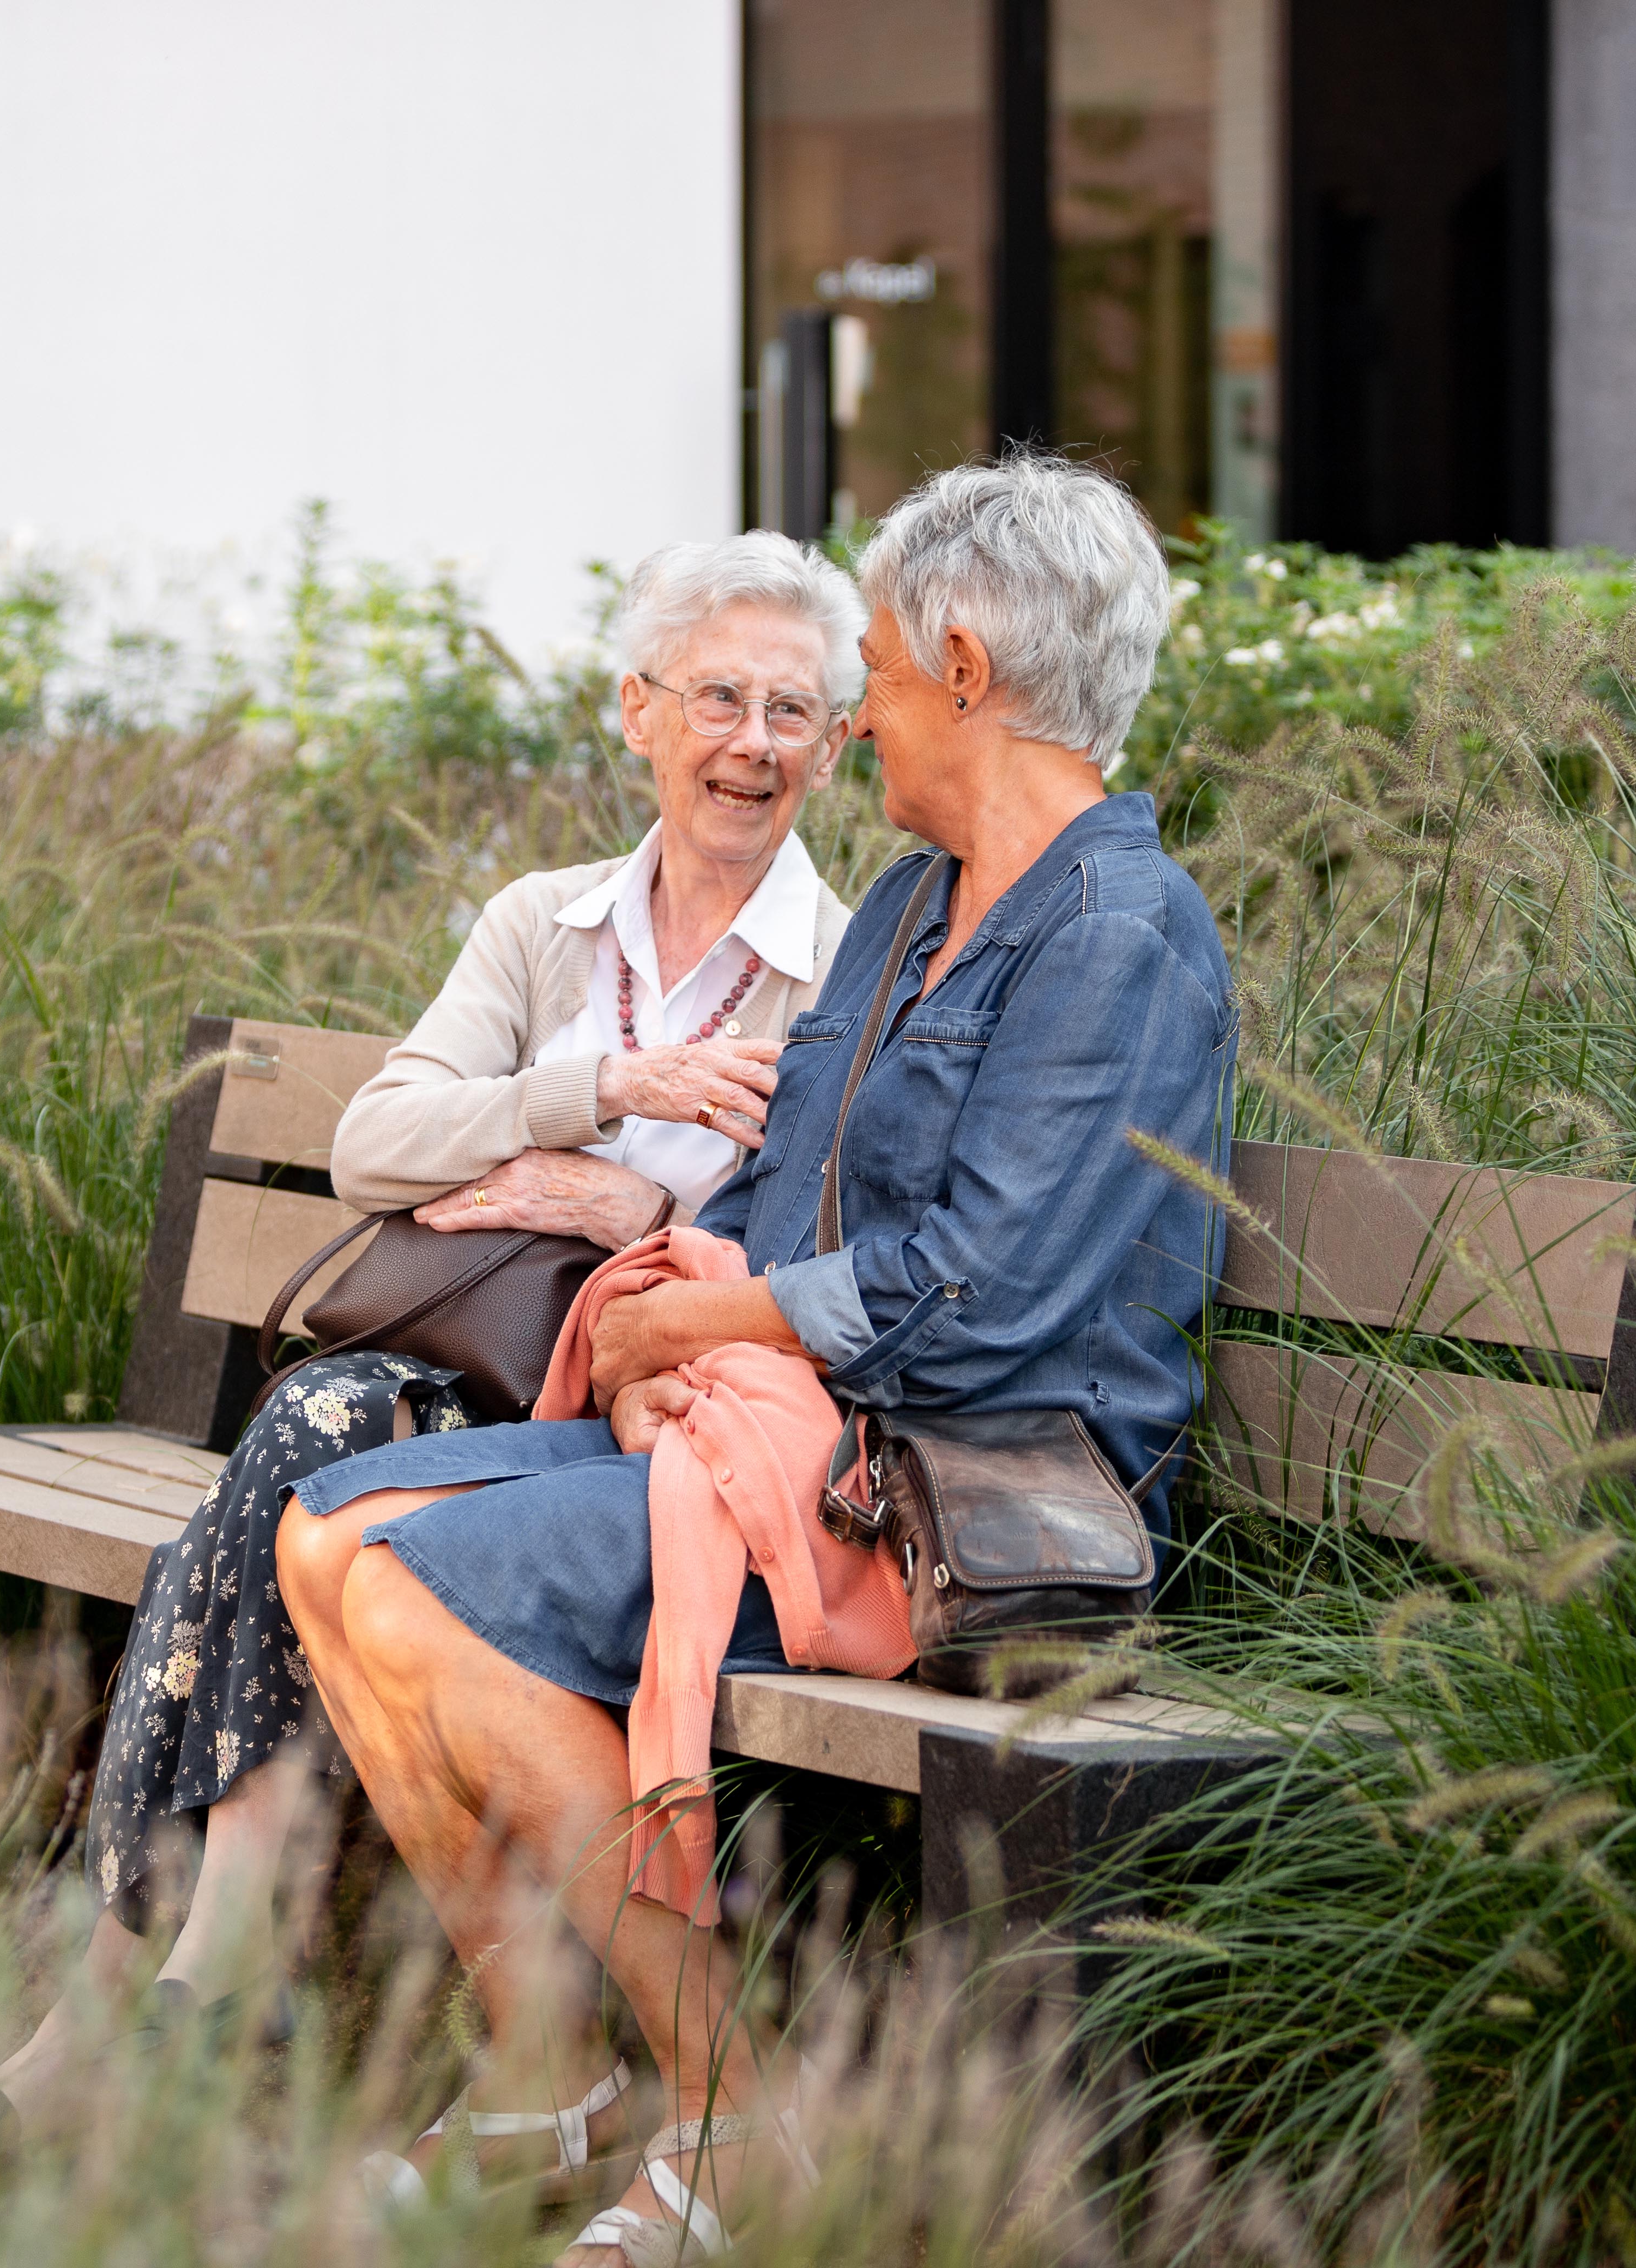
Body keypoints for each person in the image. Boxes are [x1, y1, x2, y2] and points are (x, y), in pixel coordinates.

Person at [274, 453, 1237, 2264]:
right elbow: (792, 1203)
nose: (846, 722)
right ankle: (545, 2076)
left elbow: (989, 1304)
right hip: (791, 1438)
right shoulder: (902, 914)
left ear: (965, 667)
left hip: (956, 1503)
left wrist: (707, 1321)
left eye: (864, 672)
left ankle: (733, 2119)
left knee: (413, 1593)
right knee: (324, 1531)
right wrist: (658, 1342)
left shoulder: (1120, 936)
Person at [0, 532, 868, 2156]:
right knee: (301, 1455)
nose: (754, 743)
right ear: (639, 710)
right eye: (722, 698)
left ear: (833, 747)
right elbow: (375, 1145)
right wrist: (589, 1104)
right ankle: (178, 1963)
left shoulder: (839, 974)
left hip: (625, 1410)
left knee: (278, 1475)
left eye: (794, 714)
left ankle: (142, 1985)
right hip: (456, 1381)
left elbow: (804, 1253)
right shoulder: (549, 925)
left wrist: (619, 1222)